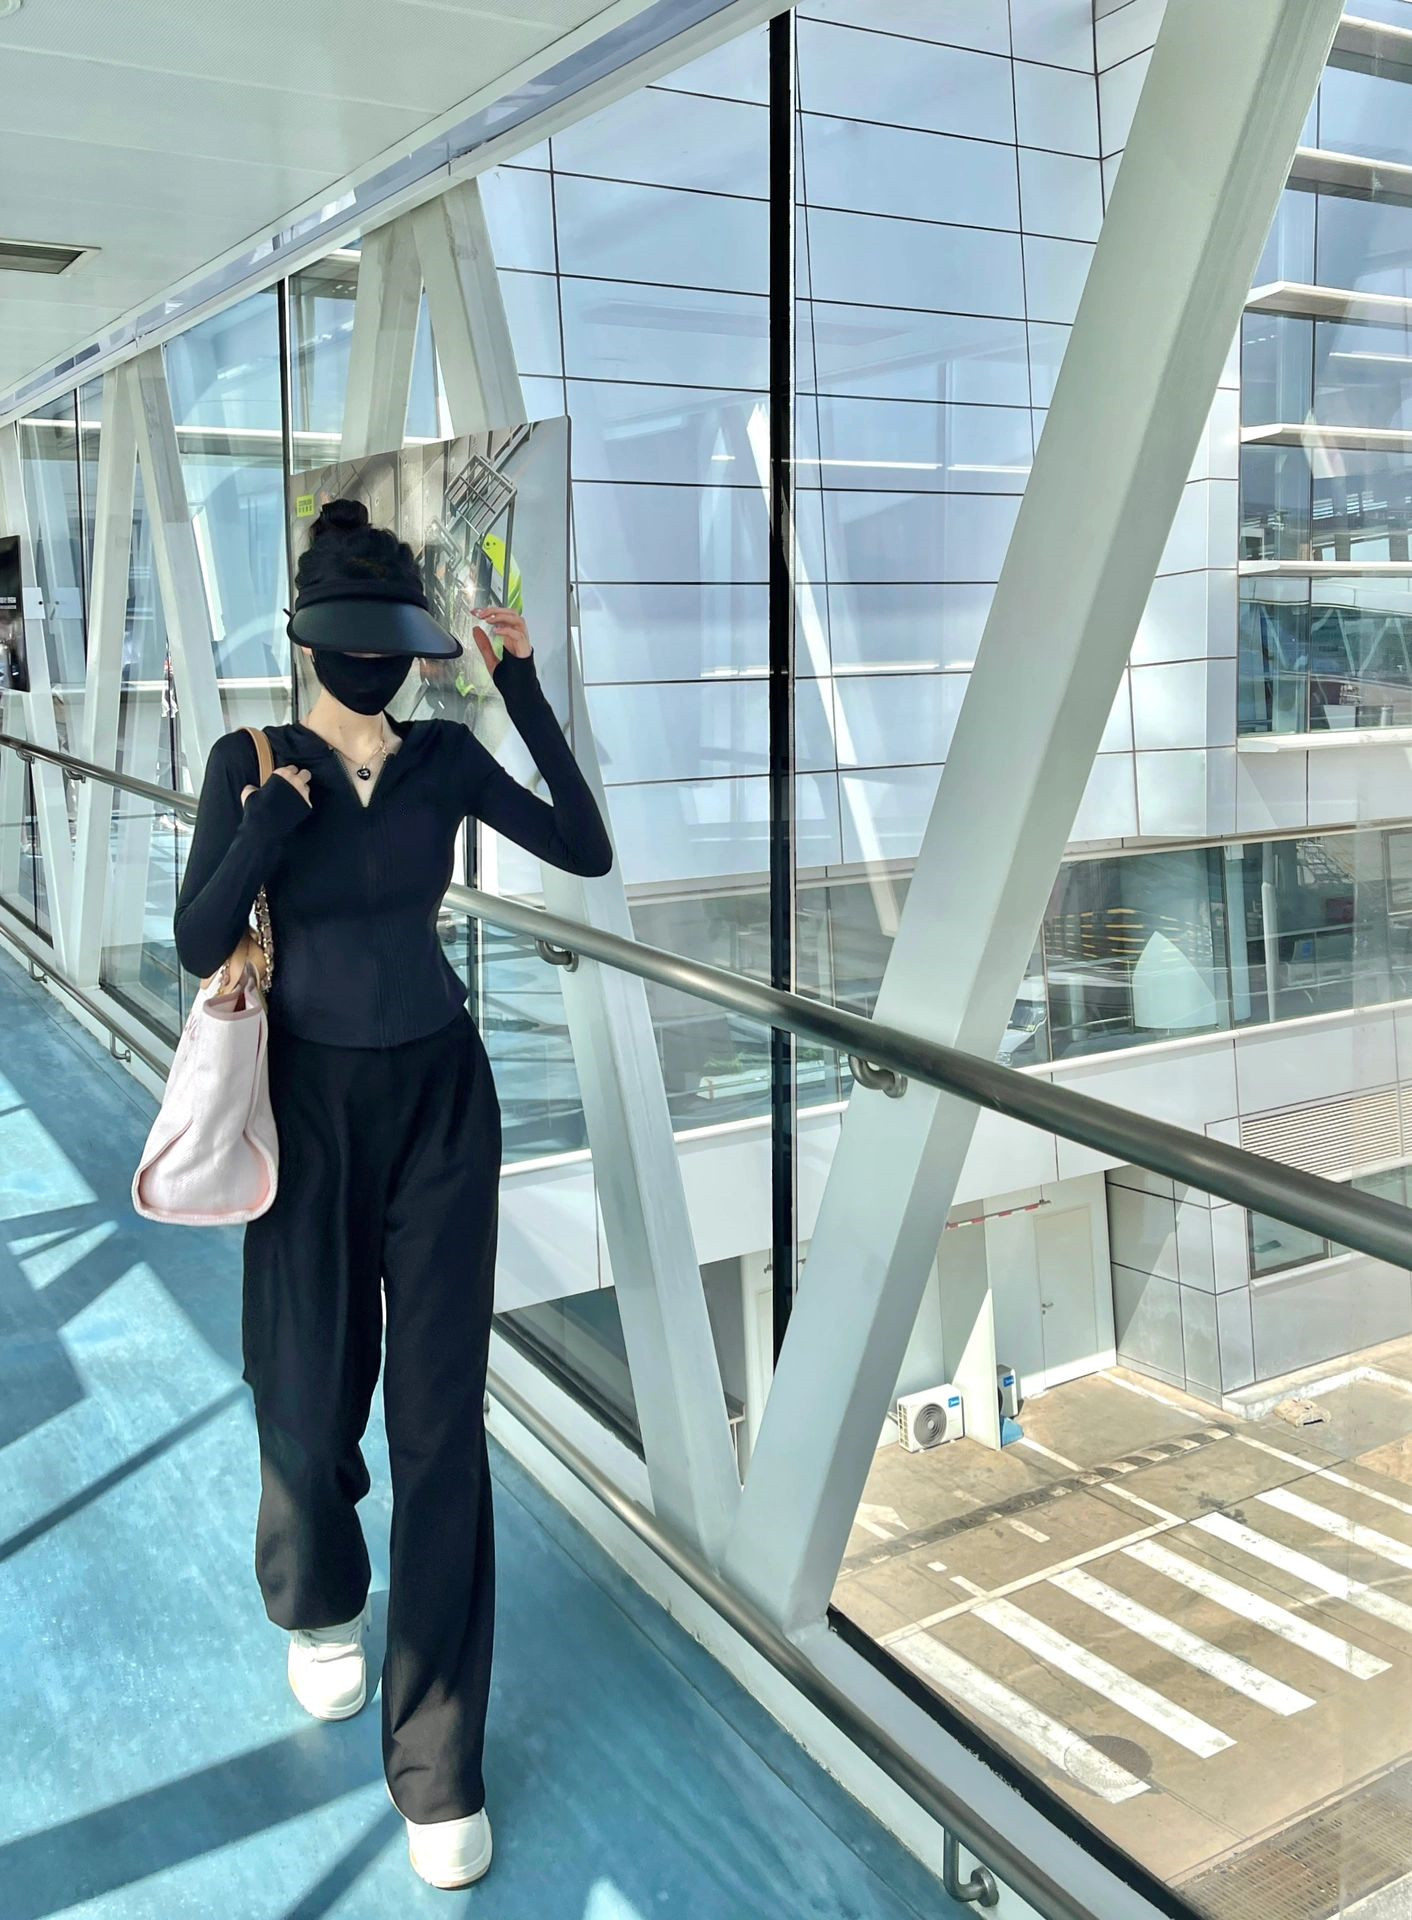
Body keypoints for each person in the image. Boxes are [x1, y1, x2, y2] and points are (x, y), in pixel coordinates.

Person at [171, 498, 613, 1891]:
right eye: (359, 645)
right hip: (303, 1105)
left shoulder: (442, 760)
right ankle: (319, 1603)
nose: (377, 670)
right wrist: (264, 827)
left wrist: (521, 681)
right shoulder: (249, 761)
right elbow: (195, 934)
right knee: (307, 1397)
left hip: (439, 1106)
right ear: (313, 642)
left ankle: (439, 1764)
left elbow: (583, 844)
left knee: (439, 1433)